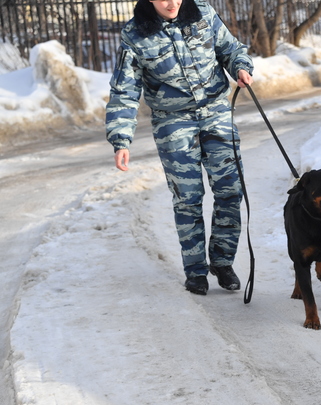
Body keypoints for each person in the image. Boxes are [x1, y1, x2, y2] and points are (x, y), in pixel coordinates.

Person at [105, 0, 254, 295]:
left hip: (215, 111)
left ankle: (222, 262)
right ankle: (196, 271)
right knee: (187, 198)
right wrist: (121, 139)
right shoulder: (135, 34)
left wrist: (240, 67)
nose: (171, 3)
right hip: (172, 122)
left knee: (230, 190)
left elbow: (231, 49)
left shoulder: (202, 13)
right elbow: (125, 88)